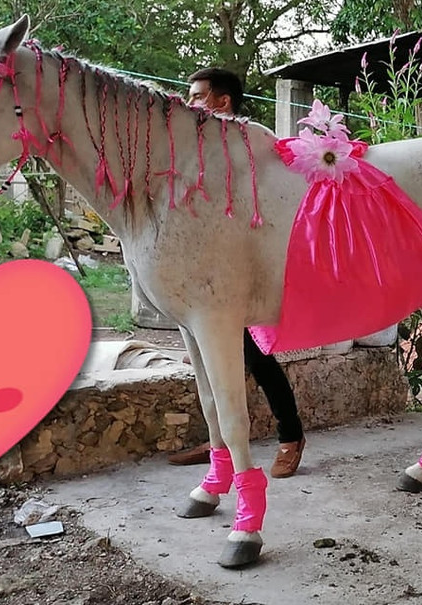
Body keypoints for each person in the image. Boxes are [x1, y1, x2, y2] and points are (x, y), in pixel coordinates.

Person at [166, 67, 306, 478]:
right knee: (213, 359)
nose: (188, 104)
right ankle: (218, 442)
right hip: (210, 270)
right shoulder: (197, 148)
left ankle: (291, 434)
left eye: (196, 97)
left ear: (221, 102)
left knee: (257, 357)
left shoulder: (249, 143)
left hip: (248, 266)